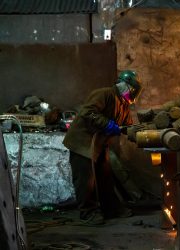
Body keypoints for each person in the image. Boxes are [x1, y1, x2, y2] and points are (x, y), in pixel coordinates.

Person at [63, 70, 143, 225]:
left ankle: (110, 208)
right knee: (85, 179)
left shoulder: (123, 104)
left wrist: (140, 133)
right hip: (82, 141)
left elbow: (126, 126)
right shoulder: (104, 94)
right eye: (132, 89)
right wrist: (107, 124)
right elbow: (88, 113)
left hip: (99, 143)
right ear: (125, 86)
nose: (132, 93)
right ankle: (88, 212)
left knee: (105, 176)